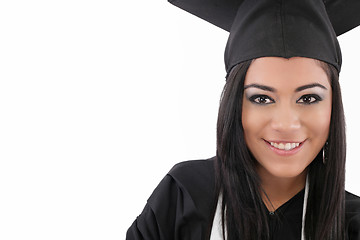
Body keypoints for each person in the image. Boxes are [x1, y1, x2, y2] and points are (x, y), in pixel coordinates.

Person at [126, 0, 360, 239]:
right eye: (261, 99)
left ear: (334, 105)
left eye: (309, 98)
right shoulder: (184, 198)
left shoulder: (353, 225)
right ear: (235, 104)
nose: (286, 124)